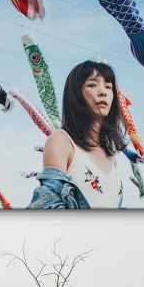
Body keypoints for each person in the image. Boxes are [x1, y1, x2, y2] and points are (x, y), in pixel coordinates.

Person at [26, 60, 126, 209]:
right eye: (92, 85)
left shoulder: (112, 159)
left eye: (108, 87)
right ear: (75, 93)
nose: (103, 91)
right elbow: (47, 207)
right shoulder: (61, 142)